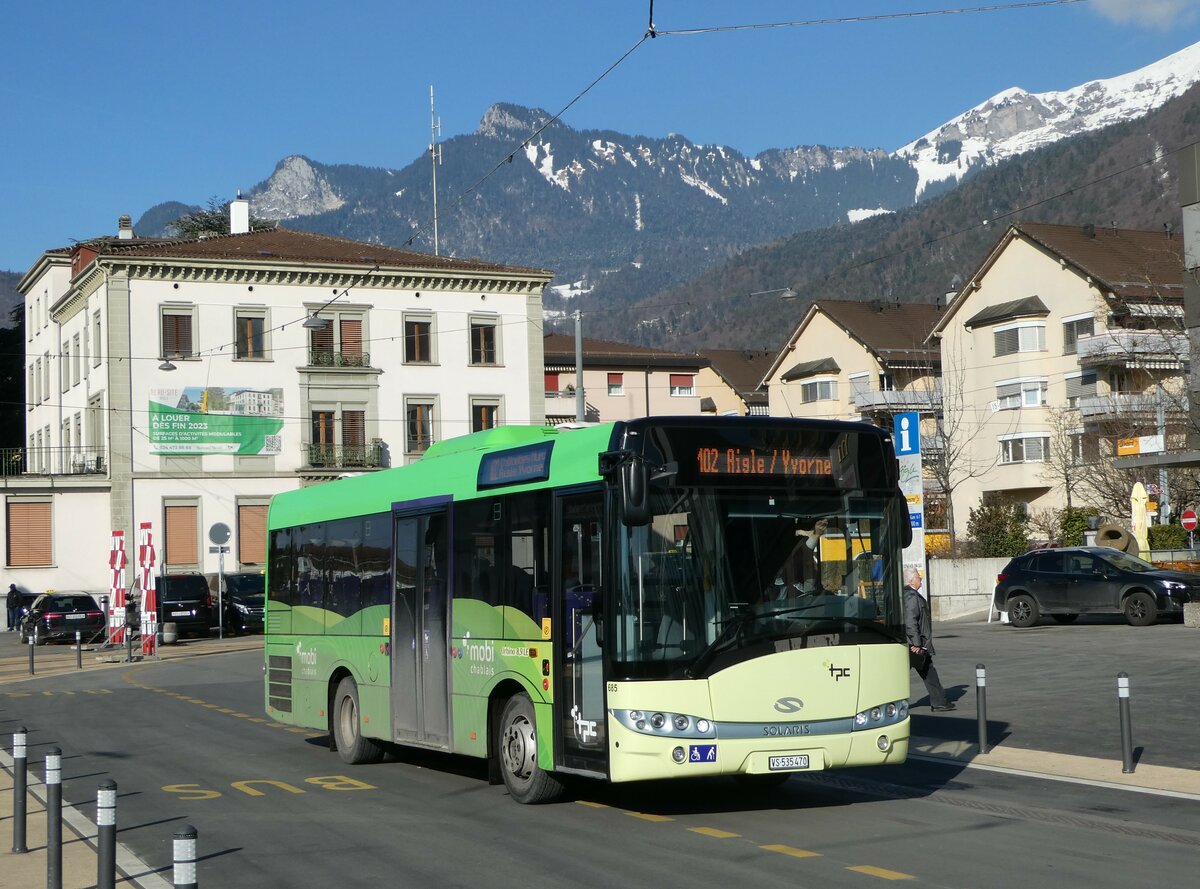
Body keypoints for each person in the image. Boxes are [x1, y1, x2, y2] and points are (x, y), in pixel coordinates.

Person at [903, 567, 955, 711]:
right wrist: (916, 643)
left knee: (927, 671)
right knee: (926, 672)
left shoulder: (909, 595)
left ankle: (939, 701)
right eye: (918, 577)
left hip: (916, 643)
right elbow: (910, 620)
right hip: (915, 645)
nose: (921, 579)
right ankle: (939, 702)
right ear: (912, 581)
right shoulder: (911, 597)